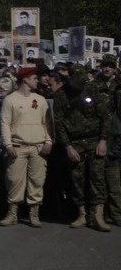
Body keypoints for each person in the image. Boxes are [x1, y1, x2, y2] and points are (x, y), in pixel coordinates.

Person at [54, 64, 112, 231]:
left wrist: (103, 140)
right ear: (70, 78)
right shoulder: (61, 95)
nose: (82, 84)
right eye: (78, 81)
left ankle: (98, 215)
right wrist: (67, 146)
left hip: (94, 140)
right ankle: (82, 214)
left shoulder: (92, 89)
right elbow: (59, 124)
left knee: (97, 178)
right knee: (77, 179)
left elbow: (104, 117)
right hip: (75, 142)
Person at [0, 67, 54, 227]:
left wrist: (48, 141)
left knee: (37, 181)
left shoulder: (41, 99)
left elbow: (48, 124)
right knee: (14, 180)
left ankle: (34, 213)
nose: (38, 80)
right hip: (18, 147)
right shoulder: (10, 100)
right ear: (25, 79)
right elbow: (5, 123)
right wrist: (8, 144)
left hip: (38, 147)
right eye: (34, 78)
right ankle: (12, 213)